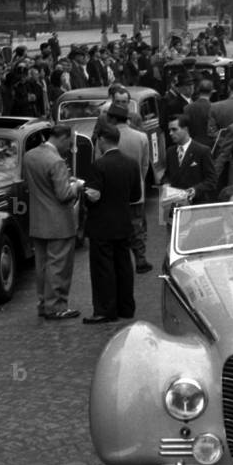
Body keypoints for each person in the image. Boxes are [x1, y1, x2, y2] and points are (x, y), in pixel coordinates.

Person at [22, 123, 85, 320]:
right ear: (63, 137)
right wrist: (77, 186)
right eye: (70, 142)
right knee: (59, 267)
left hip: (38, 221)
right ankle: (56, 306)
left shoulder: (30, 156)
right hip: (58, 222)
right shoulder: (56, 161)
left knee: (42, 266)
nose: (70, 147)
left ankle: (43, 303)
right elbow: (64, 194)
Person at [82, 123, 142, 324]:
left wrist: (85, 194)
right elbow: (136, 195)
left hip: (101, 224)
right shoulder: (131, 163)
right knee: (123, 266)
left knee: (103, 269)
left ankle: (105, 310)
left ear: (101, 140)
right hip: (123, 222)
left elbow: (93, 197)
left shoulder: (99, 165)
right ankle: (126, 306)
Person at [104, 100, 152, 273]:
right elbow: (145, 164)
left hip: (112, 191)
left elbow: (99, 163)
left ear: (112, 119)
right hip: (136, 188)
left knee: (116, 226)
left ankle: (121, 260)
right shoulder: (140, 137)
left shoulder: (107, 138)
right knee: (137, 225)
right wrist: (139, 180)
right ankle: (140, 259)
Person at [165, 117, 217, 204]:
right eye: (169, 130)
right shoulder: (170, 152)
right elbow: (168, 175)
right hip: (177, 205)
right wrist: (165, 184)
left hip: (197, 204)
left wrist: (196, 189)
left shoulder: (202, 151)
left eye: (174, 129)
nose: (170, 133)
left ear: (185, 129)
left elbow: (212, 180)